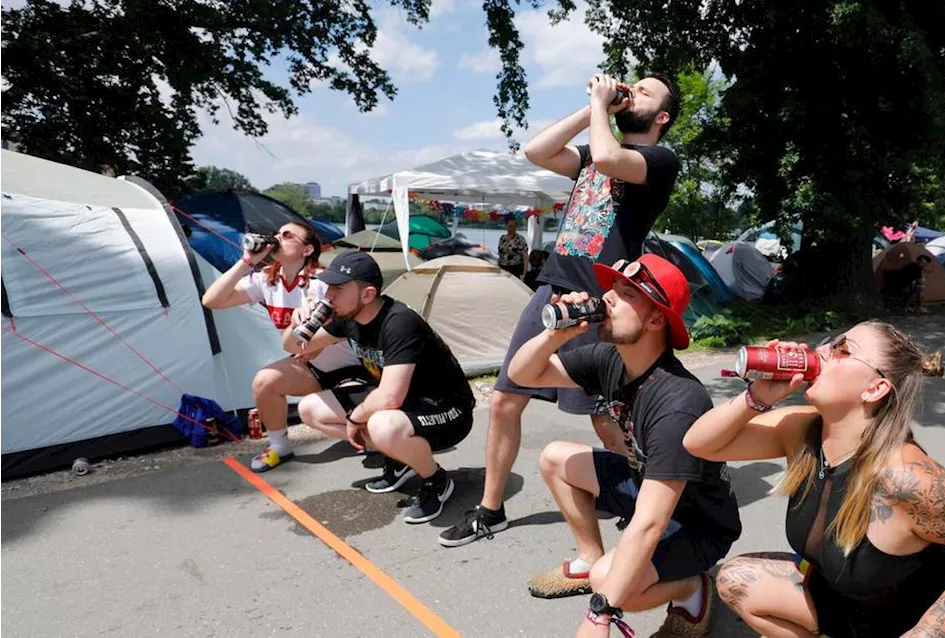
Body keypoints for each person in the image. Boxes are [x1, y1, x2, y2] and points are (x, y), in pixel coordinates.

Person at [438, 72, 682, 548]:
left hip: (603, 297)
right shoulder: (594, 149)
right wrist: (597, 107)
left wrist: (599, 104)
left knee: (607, 415)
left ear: (662, 116)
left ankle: (650, 500)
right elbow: (536, 151)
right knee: (507, 397)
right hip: (553, 285)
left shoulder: (658, 160)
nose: (632, 90)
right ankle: (491, 509)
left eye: (645, 91)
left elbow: (612, 158)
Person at [684, 324, 945, 638]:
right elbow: (700, 444)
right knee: (735, 579)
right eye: (830, 342)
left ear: (875, 388)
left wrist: (928, 631)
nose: (823, 350)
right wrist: (757, 396)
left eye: (843, 349)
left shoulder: (905, 477)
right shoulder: (801, 430)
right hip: (851, 608)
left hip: (921, 626)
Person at [513, 255, 740, 638]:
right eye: (612, 289)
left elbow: (650, 524)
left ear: (655, 320)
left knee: (608, 582)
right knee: (555, 458)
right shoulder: (610, 358)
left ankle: (691, 587)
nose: (608, 299)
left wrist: (600, 613)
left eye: (627, 294)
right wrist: (556, 334)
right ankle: (590, 557)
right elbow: (523, 373)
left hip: (698, 522)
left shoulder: (678, 400)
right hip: (647, 485)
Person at [282, 252, 476, 523]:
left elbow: (390, 396)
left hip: (447, 408)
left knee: (381, 425)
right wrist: (300, 322)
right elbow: (292, 347)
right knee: (310, 409)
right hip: (403, 402)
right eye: (328, 287)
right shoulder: (347, 318)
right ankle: (402, 458)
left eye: (337, 288)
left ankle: (436, 480)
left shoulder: (399, 322)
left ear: (367, 294)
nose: (328, 295)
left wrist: (355, 417)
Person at [202, 222, 370, 473]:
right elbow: (211, 300)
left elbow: (342, 333)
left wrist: (312, 335)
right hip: (311, 367)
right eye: (278, 234)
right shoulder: (266, 280)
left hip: (351, 369)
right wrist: (247, 261)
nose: (278, 238)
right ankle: (280, 447)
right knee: (264, 381)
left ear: (307, 250)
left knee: (363, 423)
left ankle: (380, 442)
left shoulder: (323, 283)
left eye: (288, 235)